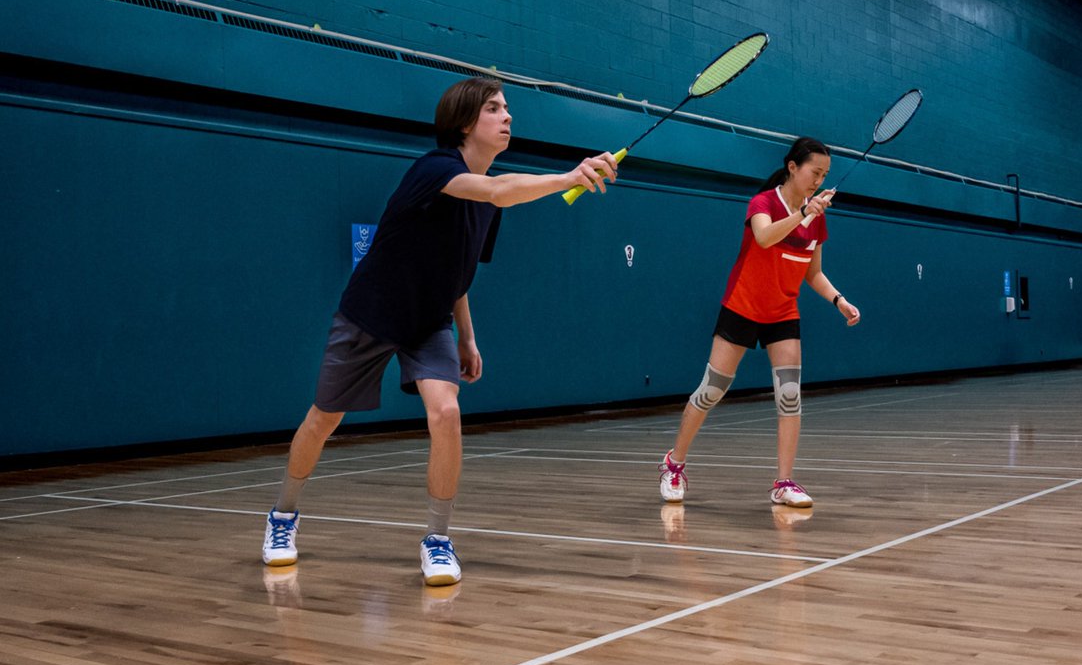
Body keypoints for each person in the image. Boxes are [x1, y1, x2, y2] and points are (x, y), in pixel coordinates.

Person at [262, 76, 618, 586]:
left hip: (430, 321)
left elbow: (458, 272)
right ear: (465, 122)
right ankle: (282, 516)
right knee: (323, 420)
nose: (508, 117)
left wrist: (467, 337)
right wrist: (569, 178)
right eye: (495, 108)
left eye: (507, 108)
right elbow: (498, 190)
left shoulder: (486, 208)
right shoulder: (435, 170)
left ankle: (437, 538)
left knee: (447, 412)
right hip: (372, 313)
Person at [658, 136, 860, 509]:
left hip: (782, 311)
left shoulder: (818, 219)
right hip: (742, 306)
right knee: (712, 390)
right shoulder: (762, 203)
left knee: (789, 395)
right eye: (815, 172)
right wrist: (805, 213)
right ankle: (674, 463)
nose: (818, 180)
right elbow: (765, 237)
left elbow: (813, 273)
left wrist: (839, 300)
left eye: (825, 175)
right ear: (793, 167)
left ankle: (783, 482)